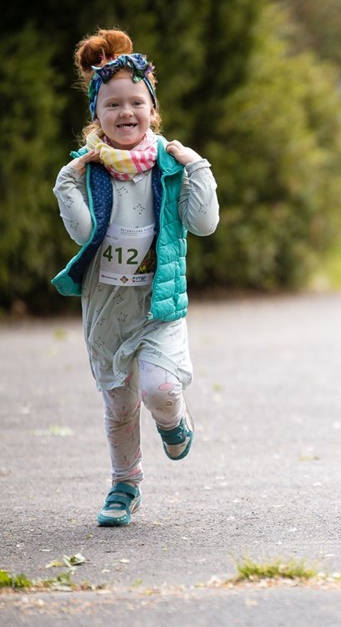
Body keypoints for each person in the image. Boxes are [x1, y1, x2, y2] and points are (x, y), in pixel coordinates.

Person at [51, 29, 220, 526]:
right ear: (96, 116)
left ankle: (174, 422)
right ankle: (124, 485)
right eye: (112, 105)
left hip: (157, 303)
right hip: (106, 309)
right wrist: (67, 184)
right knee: (119, 404)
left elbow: (204, 223)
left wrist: (198, 167)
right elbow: (85, 234)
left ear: (152, 108)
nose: (126, 113)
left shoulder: (169, 164)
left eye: (136, 102)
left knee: (160, 388)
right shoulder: (89, 171)